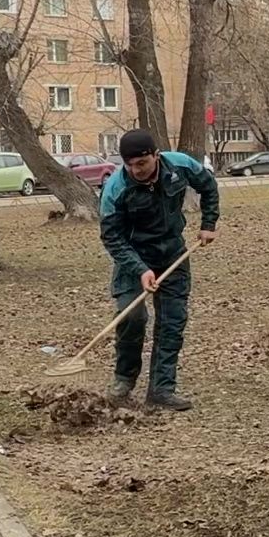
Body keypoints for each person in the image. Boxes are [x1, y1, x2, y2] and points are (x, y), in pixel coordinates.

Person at [98, 129, 220, 412]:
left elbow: (209, 185)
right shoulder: (116, 187)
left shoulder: (179, 164)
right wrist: (140, 269)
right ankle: (124, 380)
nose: (135, 170)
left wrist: (209, 224)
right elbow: (111, 237)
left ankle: (162, 390)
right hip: (133, 258)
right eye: (129, 165)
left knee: (172, 322)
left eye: (142, 163)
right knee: (132, 317)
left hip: (173, 254)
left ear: (155, 155)